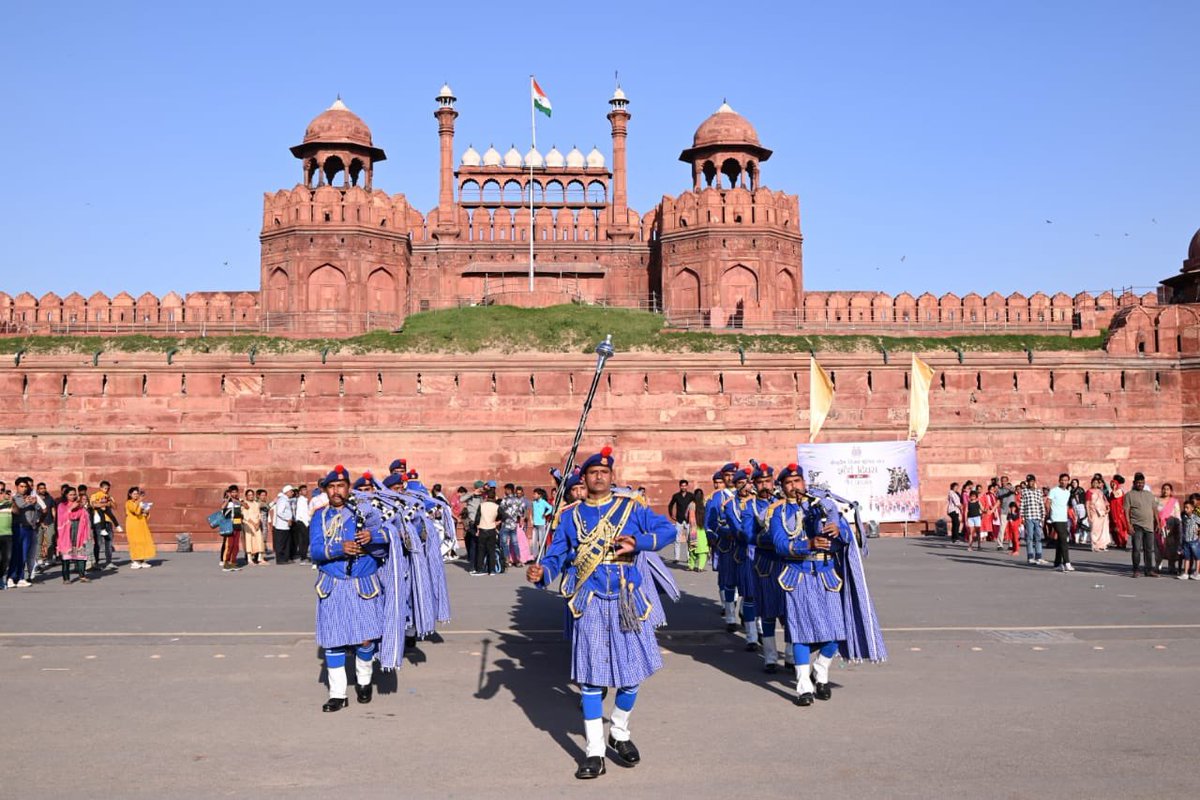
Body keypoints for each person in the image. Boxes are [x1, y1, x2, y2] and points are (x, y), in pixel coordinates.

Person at [526, 445, 676, 779]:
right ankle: (594, 752)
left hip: (626, 597)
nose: (599, 476)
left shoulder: (630, 509)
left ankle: (619, 731)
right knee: (591, 680)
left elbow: (669, 531)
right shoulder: (570, 516)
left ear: (612, 477)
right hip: (591, 600)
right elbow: (557, 556)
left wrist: (639, 542)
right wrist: (543, 574)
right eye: (593, 472)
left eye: (605, 472)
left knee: (632, 674)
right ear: (584, 477)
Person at [768, 463, 886, 706]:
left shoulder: (823, 506)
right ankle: (804, 687)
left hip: (827, 576)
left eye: (797, 481)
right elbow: (780, 545)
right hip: (797, 577)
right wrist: (806, 545)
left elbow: (846, 538)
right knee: (799, 633)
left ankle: (820, 670)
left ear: (804, 483)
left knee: (835, 632)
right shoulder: (777, 514)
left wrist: (839, 531)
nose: (794, 487)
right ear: (782, 487)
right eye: (788, 483)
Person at [309, 465, 388, 712]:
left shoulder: (366, 513)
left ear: (348, 488)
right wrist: (338, 549)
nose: (335, 491)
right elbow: (315, 551)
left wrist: (372, 538)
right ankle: (338, 694)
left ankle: (364, 681)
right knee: (334, 642)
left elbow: (386, 547)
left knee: (365, 641)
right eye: (331, 487)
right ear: (326, 490)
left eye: (340, 486)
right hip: (333, 585)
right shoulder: (319, 517)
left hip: (362, 584)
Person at [744, 462, 784, 671]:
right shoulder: (749, 507)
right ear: (755, 485)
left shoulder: (783, 502)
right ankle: (769, 656)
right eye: (760, 483)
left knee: (788, 614)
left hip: (787, 564)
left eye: (767, 481)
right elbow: (749, 535)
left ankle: (793, 656)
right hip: (764, 564)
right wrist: (776, 540)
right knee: (768, 613)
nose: (764, 486)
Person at [1124, 472, 1159, 578]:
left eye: (1142, 483)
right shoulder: (1129, 495)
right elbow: (1126, 511)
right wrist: (1128, 525)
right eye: (1138, 483)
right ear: (1134, 483)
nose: (1140, 484)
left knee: (1149, 550)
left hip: (1149, 526)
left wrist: (1158, 522)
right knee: (1137, 549)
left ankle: (1149, 570)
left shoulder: (1149, 494)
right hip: (1136, 525)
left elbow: (1154, 509)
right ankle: (1136, 570)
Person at [57, 486, 92, 583]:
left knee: (81, 554)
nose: (73, 496)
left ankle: (82, 576)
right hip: (67, 532)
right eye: (70, 495)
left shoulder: (79, 505)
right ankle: (66, 578)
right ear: (66, 495)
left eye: (74, 494)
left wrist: (83, 507)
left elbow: (85, 516)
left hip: (79, 531)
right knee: (66, 556)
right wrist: (71, 508)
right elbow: (61, 519)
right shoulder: (62, 505)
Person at [1046, 473, 1075, 572]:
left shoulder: (1067, 492)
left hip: (1063, 518)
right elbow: (1048, 502)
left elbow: (1065, 505)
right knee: (1064, 539)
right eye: (1062, 480)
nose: (1064, 482)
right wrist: (1048, 515)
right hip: (1055, 518)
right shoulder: (1054, 491)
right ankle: (1067, 562)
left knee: (1060, 541)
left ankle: (1057, 563)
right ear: (1059, 480)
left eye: (1066, 480)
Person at [88, 481, 119, 572]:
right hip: (98, 521)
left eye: (108, 488)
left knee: (108, 542)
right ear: (100, 488)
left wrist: (109, 501)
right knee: (98, 543)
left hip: (108, 521)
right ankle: (96, 562)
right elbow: (93, 504)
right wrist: (105, 504)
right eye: (105, 488)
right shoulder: (95, 495)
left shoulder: (109, 497)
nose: (107, 489)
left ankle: (109, 562)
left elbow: (115, 507)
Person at [471, 487, 501, 576]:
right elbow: (504, 515)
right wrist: (497, 522)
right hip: (492, 529)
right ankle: (492, 570)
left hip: (483, 529)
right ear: (494, 497)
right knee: (491, 551)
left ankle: (480, 570)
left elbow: (477, 519)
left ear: (487, 496)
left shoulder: (482, 505)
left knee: (481, 551)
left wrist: (477, 528)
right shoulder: (497, 506)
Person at [125, 486, 156, 568]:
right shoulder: (129, 503)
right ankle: (135, 560)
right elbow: (135, 511)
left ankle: (142, 560)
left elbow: (144, 515)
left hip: (141, 525)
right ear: (130, 494)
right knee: (135, 542)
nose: (136, 495)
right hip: (133, 526)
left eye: (137, 494)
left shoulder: (139, 502)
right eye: (134, 494)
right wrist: (139, 501)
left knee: (143, 541)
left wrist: (146, 512)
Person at [1019, 475, 1047, 567]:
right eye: (1029, 481)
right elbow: (1022, 505)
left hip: (1037, 517)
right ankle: (1030, 557)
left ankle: (1038, 556)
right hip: (1029, 517)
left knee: (1038, 538)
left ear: (1034, 481)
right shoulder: (1024, 491)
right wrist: (1022, 517)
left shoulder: (1039, 492)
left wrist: (1043, 518)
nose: (1030, 483)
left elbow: (1041, 504)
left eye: (1032, 481)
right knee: (1029, 537)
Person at [667, 479, 693, 564]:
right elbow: (671, 505)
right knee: (677, 539)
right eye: (682, 485)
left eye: (685, 485)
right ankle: (676, 558)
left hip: (689, 520)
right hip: (679, 520)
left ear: (687, 486)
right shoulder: (676, 496)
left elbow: (696, 505)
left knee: (689, 539)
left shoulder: (691, 496)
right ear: (680, 486)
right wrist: (671, 514)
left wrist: (694, 517)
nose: (683, 487)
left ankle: (689, 557)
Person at [1158, 483, 1181, 576]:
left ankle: (1171, 566)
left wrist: (1178, 526)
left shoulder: (1174, 502)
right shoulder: (1158, 501)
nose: (1165, 491)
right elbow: (1155, 513)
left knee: (1171, 548)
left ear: (1171, 491)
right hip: (1160, 527)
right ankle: (1158, 565)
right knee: (1160, 547)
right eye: (1164, 489)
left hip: (1171, 527)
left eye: (1167, 489)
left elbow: (1177, 514)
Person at [220, 485, 244, 571]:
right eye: (232, 492)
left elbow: (246, 506)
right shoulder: (226, 501)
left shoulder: (239, 500)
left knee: (236, 546)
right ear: (230, 493)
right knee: (229, 545)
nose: (234, 493)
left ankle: (233, 563)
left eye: (235, 492)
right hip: (229, 525)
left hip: (237, 525)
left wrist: (236, 501)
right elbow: (222, 507)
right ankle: (226, 564)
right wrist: (229, 499)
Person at [242, 487, 267, 565]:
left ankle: (260, 558)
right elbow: (245, 515)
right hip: (249, 525)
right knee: (249, 541)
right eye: (249, 495)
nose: (251, 496)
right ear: (246, 496)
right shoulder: (245, 504)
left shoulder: (256, 504)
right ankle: (249, 559)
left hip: (257, 524)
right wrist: (253, 523)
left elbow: (259, 514)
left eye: (252, 495)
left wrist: (258, 523)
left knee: (259, 540)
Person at [272, 485, 296, 564]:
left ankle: (285, 558)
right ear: (287, 492)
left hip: (286, 526)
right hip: (282, 525)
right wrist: (287, 518)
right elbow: (279, 512)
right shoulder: (282, 500)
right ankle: (280, 559)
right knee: (281, 543)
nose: (292, 493)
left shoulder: (286, 500)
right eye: (291, 491)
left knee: (286, 542)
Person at [686, 487, 709, 572]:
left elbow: (688, 516)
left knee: (693, 549)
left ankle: (691, 566)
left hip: (693, 529)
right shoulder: (705, 503)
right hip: (702, 529)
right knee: (703, 550)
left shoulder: (692, 504)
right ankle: (700, 567)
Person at [1087, 476, 1111, 551]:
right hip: (1094, 512)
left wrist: (1107, 508)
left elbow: (1105, 501)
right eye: (1094, 482)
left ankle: (1102, 545)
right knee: (1095, 529)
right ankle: (1094, 546)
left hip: (1102, 512)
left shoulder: (1100, 491)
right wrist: (1088, 514)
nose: (1095, 484)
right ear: (1091, 483)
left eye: (1097, 483)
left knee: (1103, 529)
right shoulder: (1089, 491)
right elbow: (1087, 504)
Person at [1179, 498, 1199, 580]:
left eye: (1187, 508)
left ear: (1192, 508)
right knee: (1187, 557)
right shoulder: (1184, 517)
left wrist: (1198, 530)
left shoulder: (1196, 518)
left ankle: (1197, 573)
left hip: (1194, 541)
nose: (1185, 509)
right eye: (1185, 508)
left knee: (1197, 557)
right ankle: (1186, 573)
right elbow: (1183, 527)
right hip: (1186, 541)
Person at [1109, 475, 1130, 549]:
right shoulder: (1111, 492)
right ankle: (1118, 542)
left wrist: (1114, 489)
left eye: (1114, 484)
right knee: (1113, 528)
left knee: (1120, 527)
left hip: (1119, 512)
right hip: (1113, 512)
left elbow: (1116, 496)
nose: (1112, 485)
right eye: (1111, 484)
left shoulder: (1119, 491)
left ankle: (1122, 542)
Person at [530, 488, 552, 555]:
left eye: (535, 494)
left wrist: (545, 514)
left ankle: (542, 556)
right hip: (535, 524)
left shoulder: (543, 502)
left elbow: (551, 508)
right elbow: (532, 512)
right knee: (534, 541)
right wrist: (532, 520)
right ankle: (535, 555)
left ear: (539, 495)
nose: (534, 495)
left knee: (541, 541)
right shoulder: (534, 503)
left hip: (541, 524)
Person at [0, 484, 12, 589]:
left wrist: (12, 501)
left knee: (6, 558)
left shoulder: (9, 503)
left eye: (2, 490)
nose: (1, 492)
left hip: (7, 534)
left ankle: (0, 577)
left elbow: (16, 511)